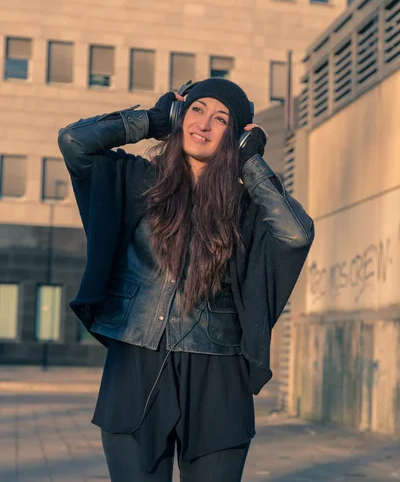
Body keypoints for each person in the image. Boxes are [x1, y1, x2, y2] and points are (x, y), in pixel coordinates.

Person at [58, 78, 314, 482]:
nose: (204, 125)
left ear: (235, 135)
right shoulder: (136, 180)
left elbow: (296, 234)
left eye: (221, 119)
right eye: (196, 109)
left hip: (219, 375)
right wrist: (152, 120)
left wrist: (251, 164)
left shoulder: (246, 205)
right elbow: (74, 141)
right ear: (181, 115)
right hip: (136, 364)